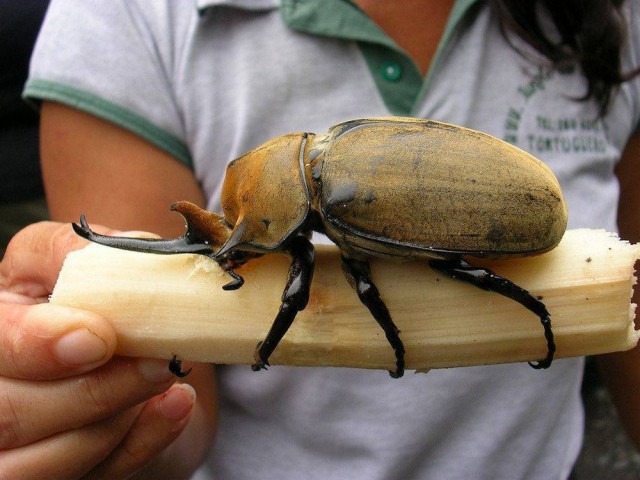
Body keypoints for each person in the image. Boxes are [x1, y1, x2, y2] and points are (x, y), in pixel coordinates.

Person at [1, 0, 639, 478]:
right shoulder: (126, 19)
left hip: (515, 229)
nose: (235, 253)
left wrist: (374, 340)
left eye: (245, 240)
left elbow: (318, 293)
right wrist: (97, 421)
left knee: (448, 268)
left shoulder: (613, 16)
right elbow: (180, 415)